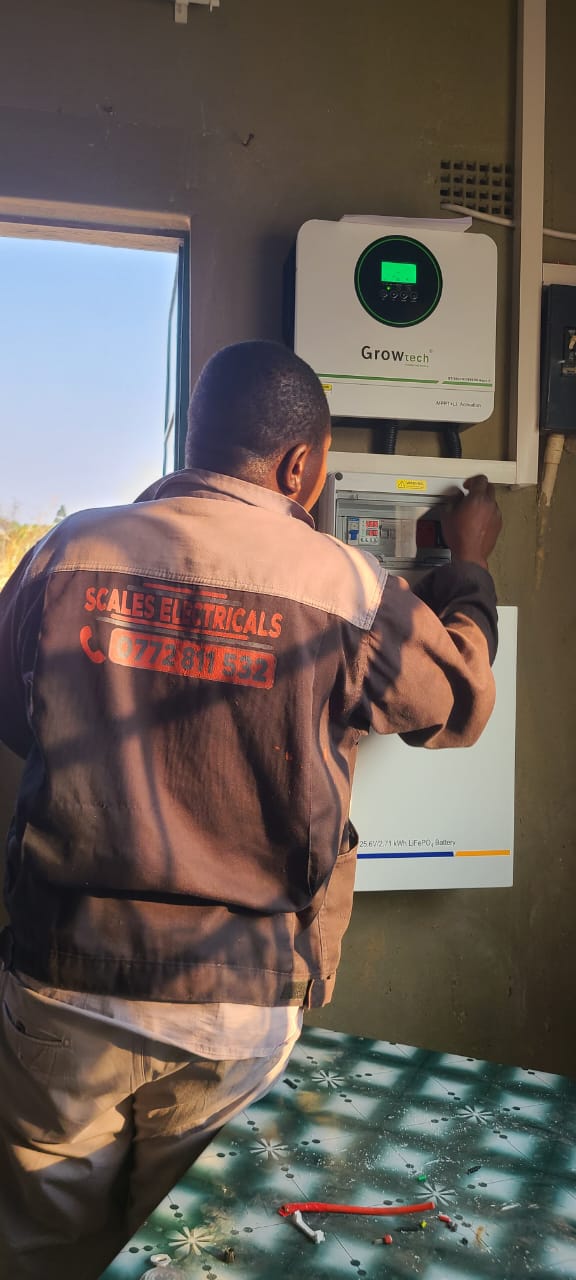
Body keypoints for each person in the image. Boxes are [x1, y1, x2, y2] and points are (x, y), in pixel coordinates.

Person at [0, 340, 501, 1279]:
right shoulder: (348, 587)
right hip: (235, 1003)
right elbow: (461, 705)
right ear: (302, 465)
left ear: (194, 440)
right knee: (200, 1256)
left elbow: (16, 716)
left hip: (62, 977)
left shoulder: (68, 551)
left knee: (39, 1250)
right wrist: (467, 570)